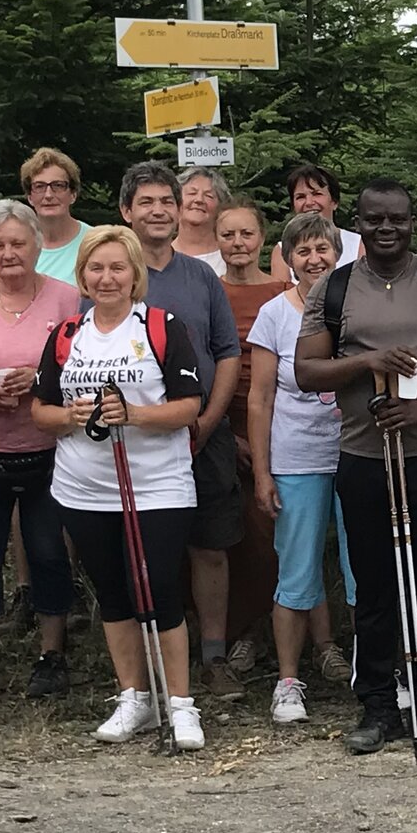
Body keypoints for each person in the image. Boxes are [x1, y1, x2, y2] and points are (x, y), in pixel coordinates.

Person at [296, 179, 417, 754]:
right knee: (375, 583)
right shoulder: (335, 289)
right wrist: (365, 363)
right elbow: (306, 370)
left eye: (398, 220)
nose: (387, 229)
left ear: (414, 223)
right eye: (374, 219)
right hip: (362, 456)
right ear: (358, 221)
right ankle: (378, 704)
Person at [30, 226, 207, 749]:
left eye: (118, 268)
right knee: (112, 593)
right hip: (85, 487)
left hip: (156, 485)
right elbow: (39, 411)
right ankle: (134, 696)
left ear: (136, 275)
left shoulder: (160, 327)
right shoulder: (66, 334)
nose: (106, 278)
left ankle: (180, 703)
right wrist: (69, 416)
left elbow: (189, 405)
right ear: (82, 276)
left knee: (159, 591)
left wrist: (134, 414)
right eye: (96, 268)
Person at [121, 161, 245, 699]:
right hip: (136, 438)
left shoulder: (200, 277)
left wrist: (210, 420)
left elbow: (228, 351)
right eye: (146, 202)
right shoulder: (111, 272)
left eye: (166, 202)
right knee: (146, 549)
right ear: (126, 211)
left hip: (203, 434)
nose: (157, 211)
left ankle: (213, 656)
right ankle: (151, 661)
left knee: (210, 546)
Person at [0, 199, 80, 707]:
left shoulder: (67, 299)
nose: (9, 253)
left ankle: (53, 655)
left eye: (18, 243)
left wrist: (43, 378)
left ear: (37, 245)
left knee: (48, 552)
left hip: (49, 448)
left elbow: (90, 363)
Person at [248, 212, 358, 720]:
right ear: (288, 258)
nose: (315, 259)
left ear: (340, 255)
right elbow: (260, 398)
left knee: (366, 568)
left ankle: (374, 670)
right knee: (295, 571)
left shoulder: (359, 303)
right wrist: (263, 472)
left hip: (359, 452)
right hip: (296, 457)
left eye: (323, 250)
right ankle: (288, 682)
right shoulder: (274, 313)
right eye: (304, 251)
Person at [216, 200, 287, 678]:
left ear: (262, 238)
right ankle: (241, 634)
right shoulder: (209, 289)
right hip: (222, 424)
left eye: (246, 234)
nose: (238, 244)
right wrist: (223, 431)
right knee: (231, 537)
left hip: (280, 425)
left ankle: (282, 630)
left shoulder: (283, 291)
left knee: (272, 537)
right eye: (228, 235)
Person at [267, 163, 362, 283]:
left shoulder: (358, 244)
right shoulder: (281, 251)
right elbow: (281, 295)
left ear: (334, 201)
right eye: (300, 197)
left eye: (317, 194)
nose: (309, 202)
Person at [22, 147, 87, 283]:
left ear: (73, 194)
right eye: (39, 186)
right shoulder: (15, 245)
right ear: (30, 197)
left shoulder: (94, 241)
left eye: (58, 185)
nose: (49, 195)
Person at [174, 167, 232, 276]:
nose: (199, 200)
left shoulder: (230, 255)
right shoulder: (162, 255)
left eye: (209, 196)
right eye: (192, 193)